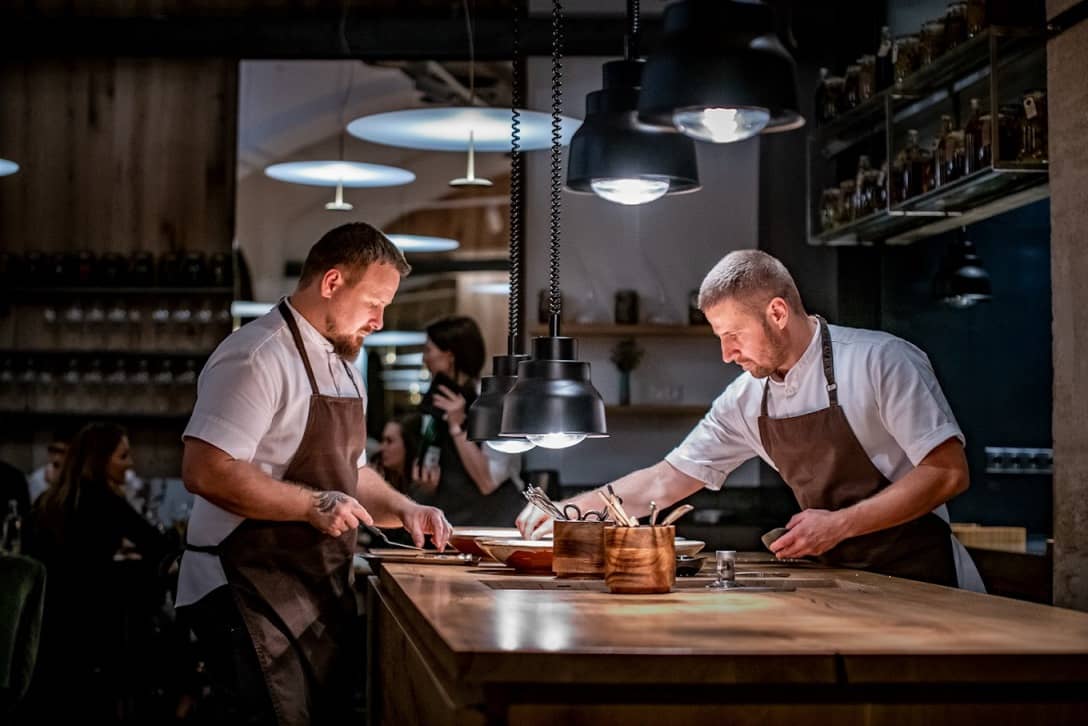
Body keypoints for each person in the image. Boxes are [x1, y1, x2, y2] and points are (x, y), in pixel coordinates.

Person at [518, 249, 984, 591]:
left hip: (926, 581)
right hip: (844, 584)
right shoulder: (746, 399)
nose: (725, 354)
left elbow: (947, 473)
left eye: (733, 335)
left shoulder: (881, 360)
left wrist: (840, 524)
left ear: (777, 313)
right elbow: (665, 480)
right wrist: (567, 512)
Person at [176, 222, 453, 726]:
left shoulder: (345, 364)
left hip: (313, 591)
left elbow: (354, 474)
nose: (380, 321)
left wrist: (407, 510)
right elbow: (205, 470)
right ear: (331, 283)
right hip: (242, 592)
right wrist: (311, 505)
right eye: (373, 303)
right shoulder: (257, 356)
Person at [24, 422, 175, 722]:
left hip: (46, 630)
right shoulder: (106, 502)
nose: (131, 463)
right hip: (95, 631)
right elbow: (160, 547)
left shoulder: (47, 502)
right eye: (123, 456)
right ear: (101, 459)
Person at [413, 316, 526, 526]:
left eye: (428, 350)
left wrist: (457, 426)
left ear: (450, 356)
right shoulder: (434, 406)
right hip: (454, 522)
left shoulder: (494, 403)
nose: (424, 359)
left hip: (496, 522)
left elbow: (488, 482)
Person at [371, 413, 423, 495]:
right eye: (383, 440)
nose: (382, 448)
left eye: (389, 441)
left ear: (408, 445)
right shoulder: (380, 478)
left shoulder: (424, 485)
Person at [26, 432, 70, 505]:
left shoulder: (72, 475)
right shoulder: (38, 477)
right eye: (53, 451)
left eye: (61, 452)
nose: (57, 456)